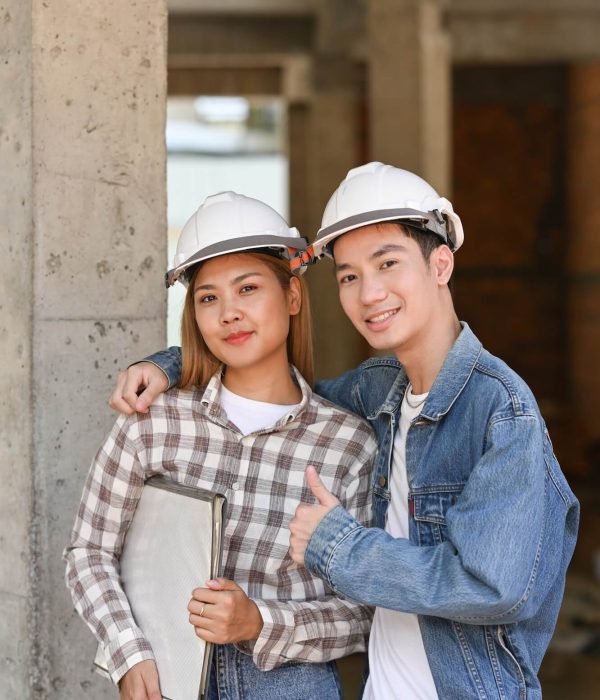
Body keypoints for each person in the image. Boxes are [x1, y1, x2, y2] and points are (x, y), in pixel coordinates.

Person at [109, 163, 579, 700]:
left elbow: (493, 588)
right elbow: (268, 384)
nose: (369, 293)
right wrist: (172, 365)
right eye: (350, 276)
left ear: (441, 263)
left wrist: (339, 547)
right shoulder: (378, 391)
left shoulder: (500, 411)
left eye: (388, 264)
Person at [64, 191, 376, 700]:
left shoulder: (347, 445)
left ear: (293, 297)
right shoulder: (154, 420)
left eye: (248, 288)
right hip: (167, 671)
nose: (229, 313)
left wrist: (259, 622)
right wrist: (128, 651)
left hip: (288, 684)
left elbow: (364, 612)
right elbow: (88, 550)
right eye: (209, 297)